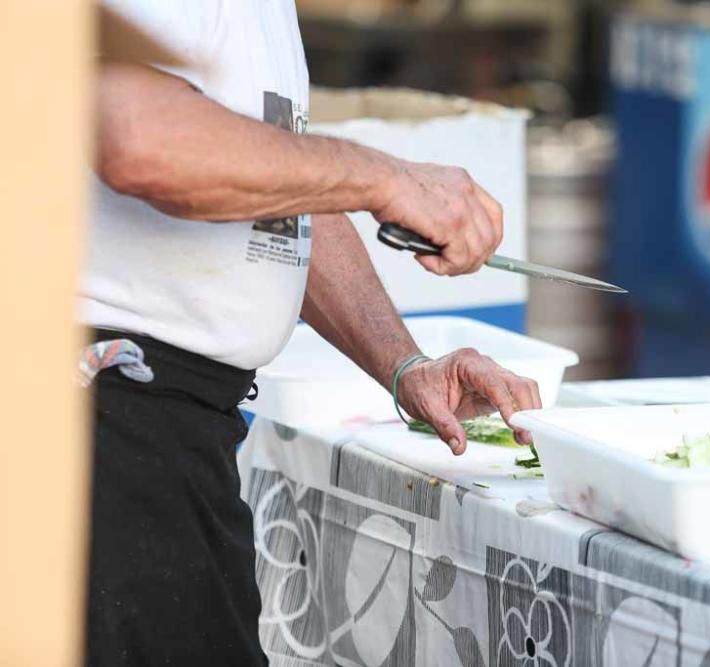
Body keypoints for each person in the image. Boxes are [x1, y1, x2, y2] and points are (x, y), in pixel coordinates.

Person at [84, 1, 541, 664]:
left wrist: (404, 363)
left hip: (178, 433)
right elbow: (138, 137)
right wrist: (384, 177)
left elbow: (273, 192)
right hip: (104, 420)